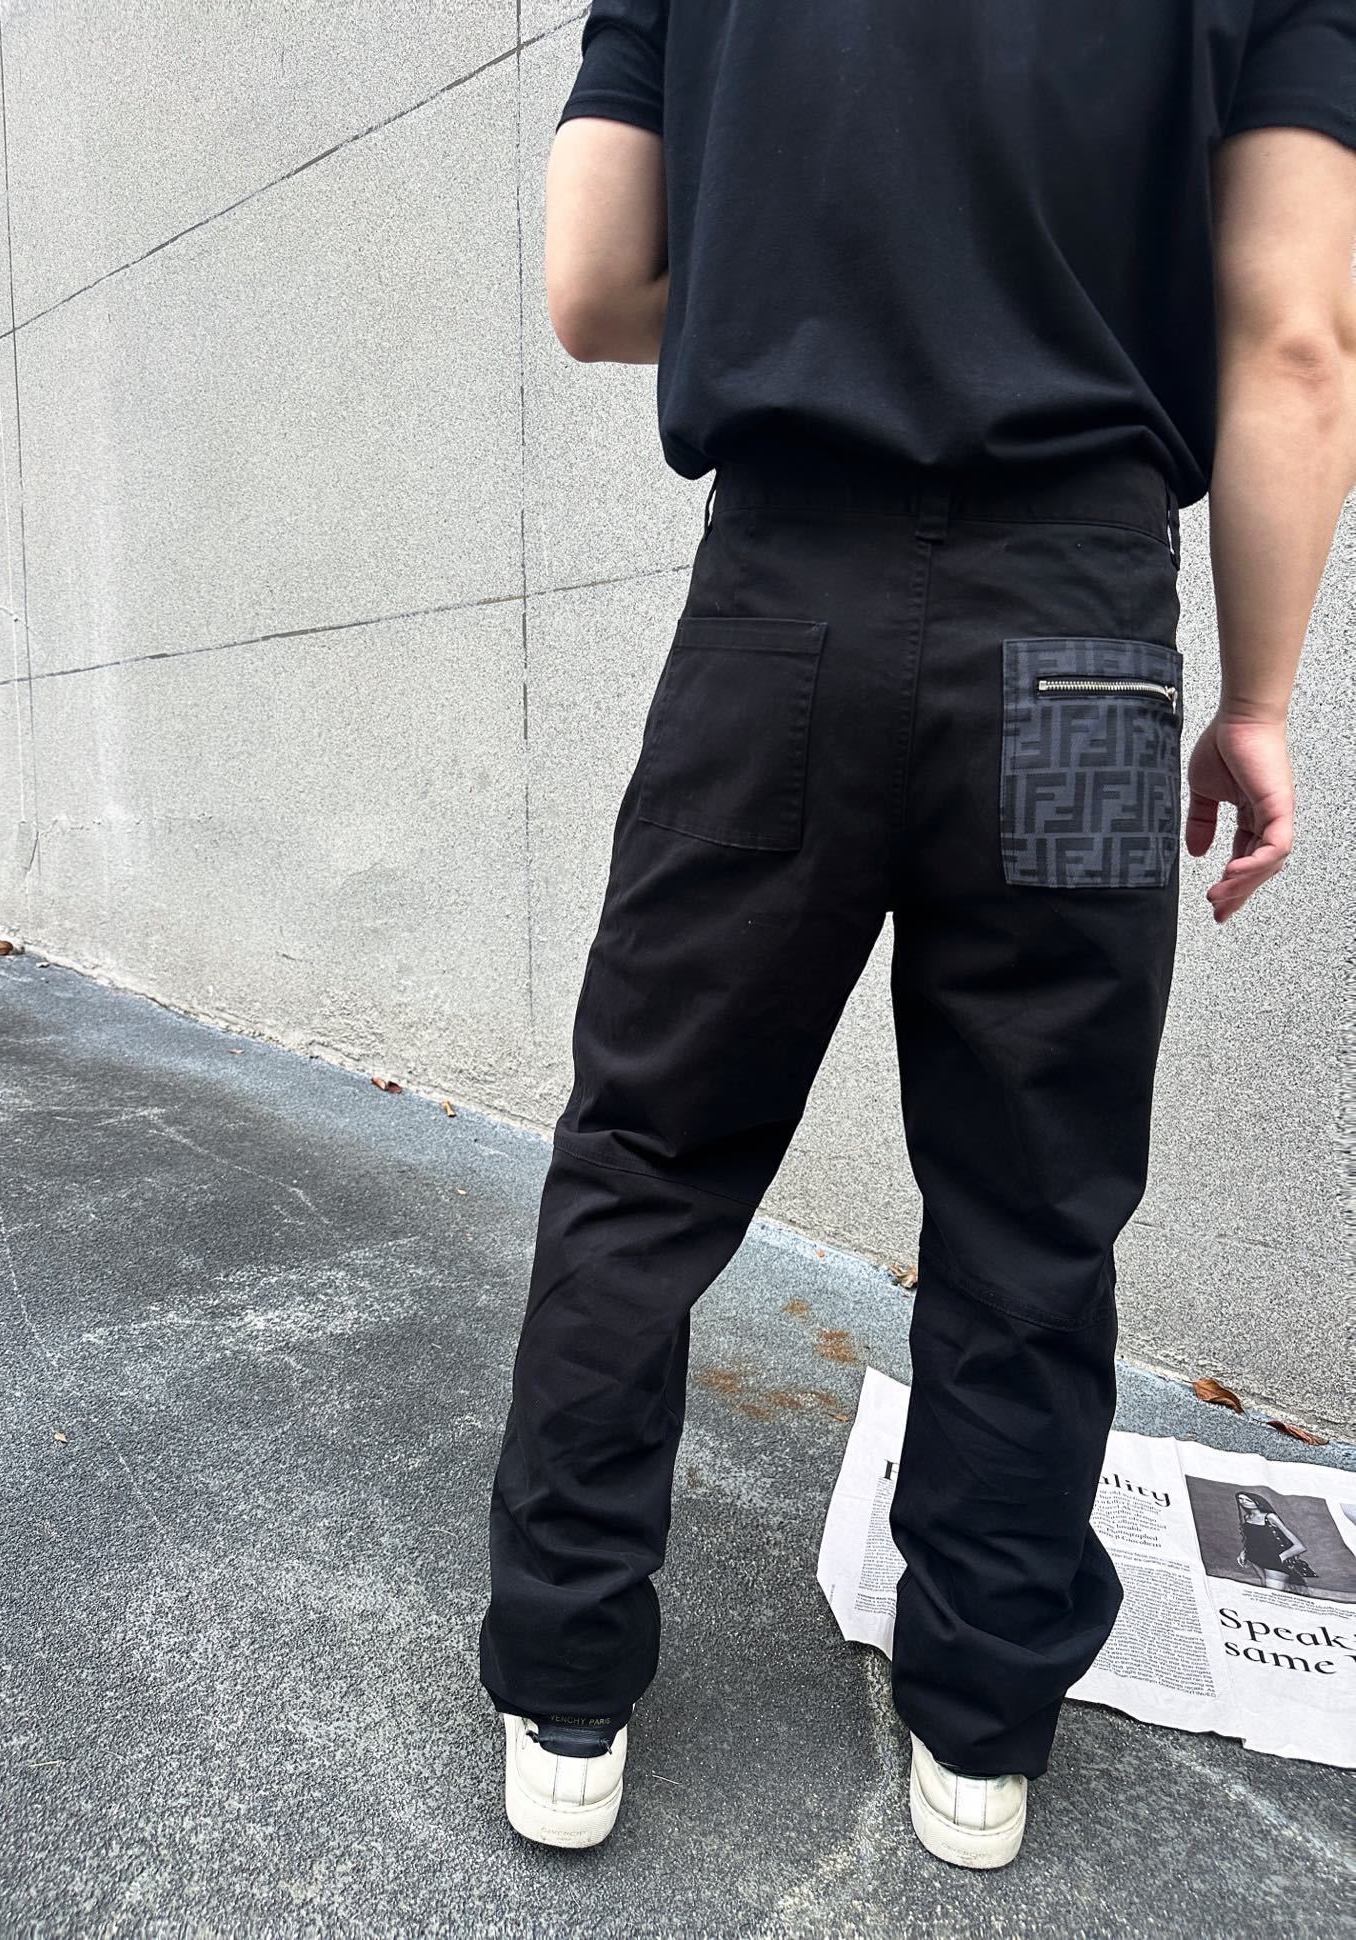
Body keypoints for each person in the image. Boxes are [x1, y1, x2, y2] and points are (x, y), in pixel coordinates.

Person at [480, 0, 1356, 1869]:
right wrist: (1258, 700)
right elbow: (1297, 339)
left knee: (647, 1150)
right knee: (1033, 1198)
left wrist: (803, 312)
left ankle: (564, 1689)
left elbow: (592, 287)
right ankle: (979, 1734)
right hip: (1083, 643)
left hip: (777, 617)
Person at [1236, 1491, 1312, 1592]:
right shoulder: (1247, 1517)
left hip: (1273, 1561)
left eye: (1248, 1500)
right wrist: (1244, 1552)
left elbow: (1299, 1546)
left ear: (1258, 1502)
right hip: (1254, 1558)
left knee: (1272, 1594)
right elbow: (1253, 1538)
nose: (1243, 1502)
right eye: (1241, 1499)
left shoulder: (1270, 1517)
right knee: (1264, 1589)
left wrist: (1280, 1557)